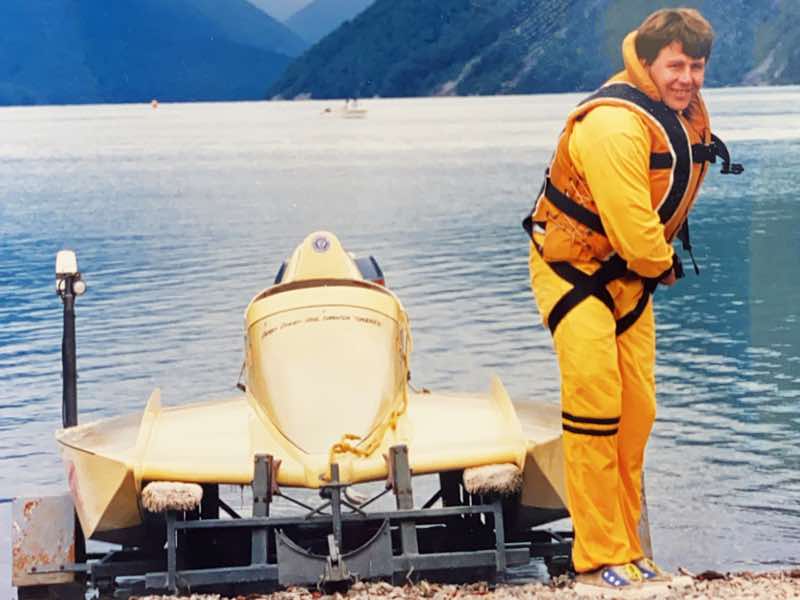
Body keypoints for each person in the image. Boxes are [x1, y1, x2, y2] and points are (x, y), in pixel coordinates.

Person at [522, 8, 741, 593]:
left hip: (628, 279)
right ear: (646, 63)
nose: (687, 79)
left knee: (637, 411)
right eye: (676, 65)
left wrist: (649, 270)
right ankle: (596, 556)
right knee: (595, 407)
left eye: (696, 67)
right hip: (572, 272)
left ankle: (629, 545)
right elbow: (635, 229)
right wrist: (662, 267)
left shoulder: (679, 111)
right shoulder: (614, 126)